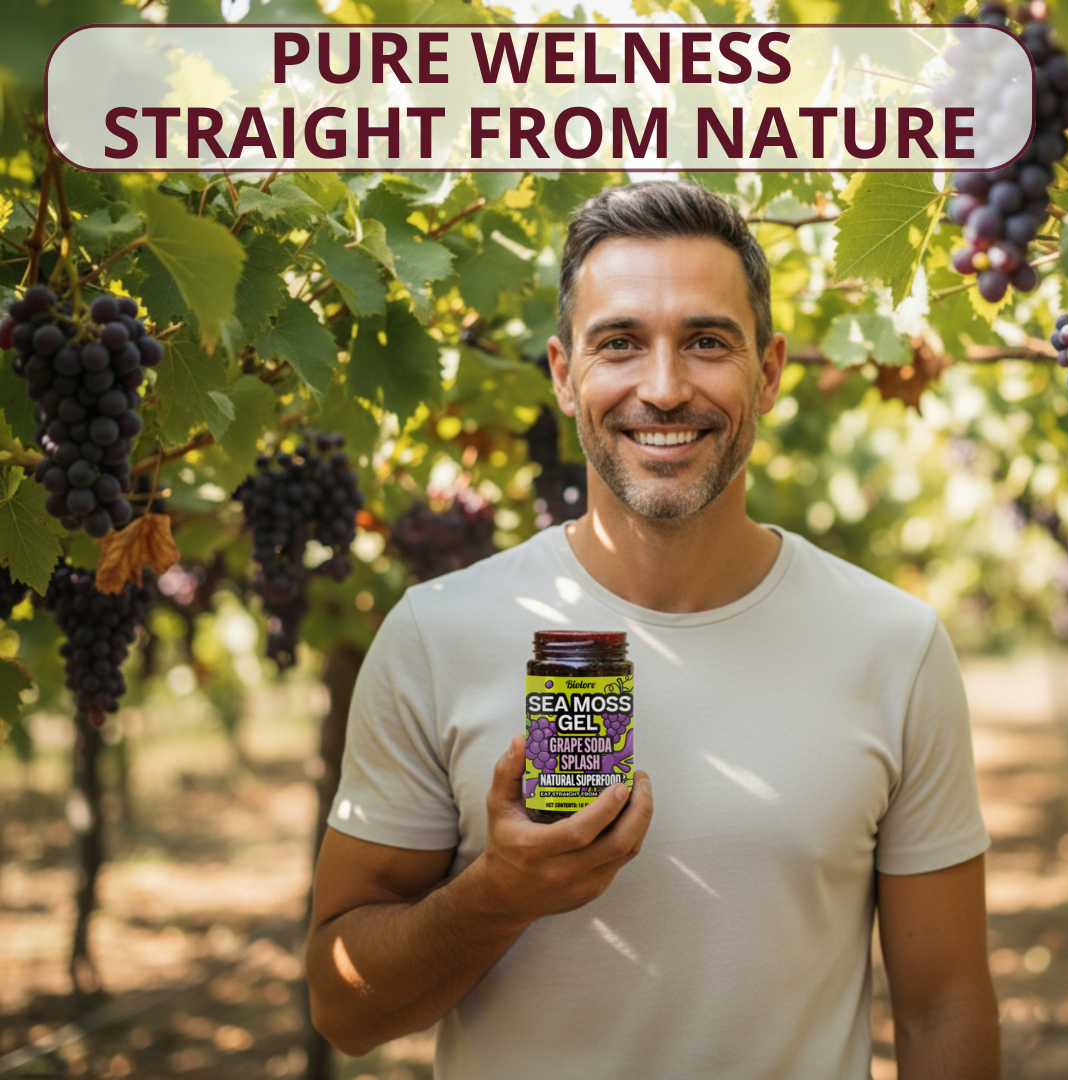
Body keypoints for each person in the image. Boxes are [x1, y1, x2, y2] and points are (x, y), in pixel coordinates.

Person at [306, 180, 1000, 1079]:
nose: (664, 389)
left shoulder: (894, 647)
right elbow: (343, 1009)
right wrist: (496, 897)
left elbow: (944, 1006)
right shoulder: (435, 636)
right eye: (620, 344)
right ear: (564, 374)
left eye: (707, 342)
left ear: (771, 369)